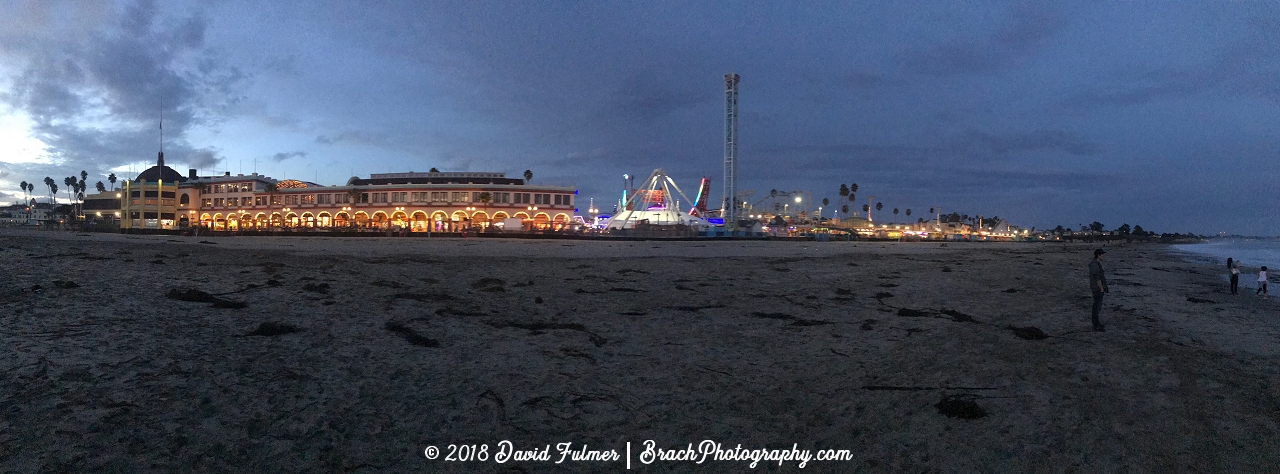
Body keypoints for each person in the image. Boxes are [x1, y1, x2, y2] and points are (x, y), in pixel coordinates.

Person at [1089, 248, 1109, 332]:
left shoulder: (1096, 264)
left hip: (1097, 288)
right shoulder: (1095, 265)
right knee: (1096, 308)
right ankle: (1096, 325)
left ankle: (1097, 324)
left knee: (1097, 307)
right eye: (1102, 254)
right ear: (1098, 255)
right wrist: (1101, 288)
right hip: (1097, 289)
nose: (1104, 256)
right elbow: (1097, 278)